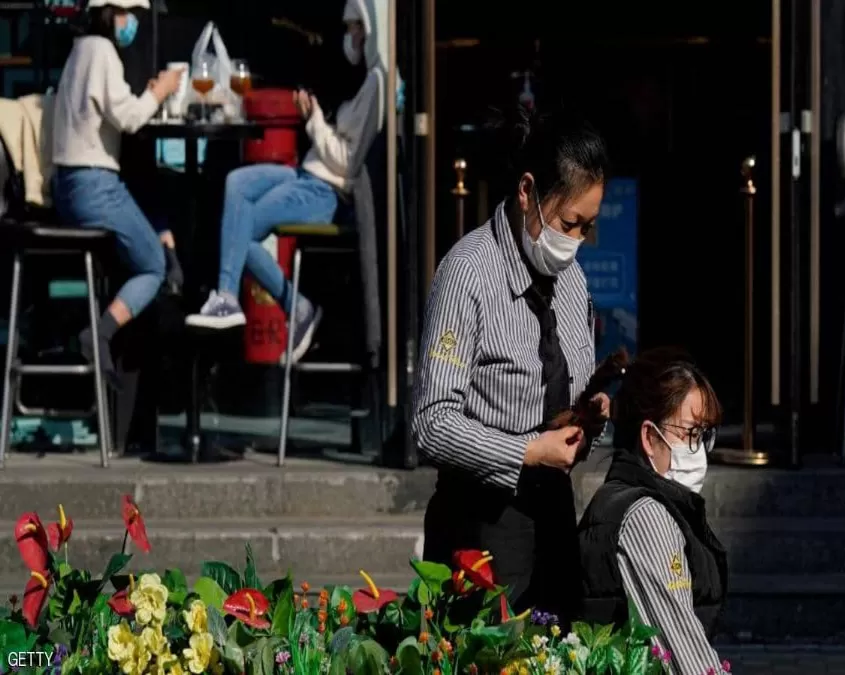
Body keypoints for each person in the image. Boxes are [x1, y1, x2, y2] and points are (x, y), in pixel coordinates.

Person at [413, 107, 610, 625]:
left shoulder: (572, 280)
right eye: (568, 223)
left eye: (587, 227)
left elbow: (568, 387)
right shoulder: (467, 272)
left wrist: (589, 418)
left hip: (553, 520)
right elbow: (431, 422)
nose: (575, 240)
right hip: (481, 524)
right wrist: (525, 451)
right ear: (527, 192)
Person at [185, 0, 387, 365]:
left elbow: (347, 161)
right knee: (237, 182)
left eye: (354, 27)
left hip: (327, 190)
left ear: (370, 30)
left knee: (241, 229)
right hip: (309, 172)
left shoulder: (377, 83)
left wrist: (314, 122)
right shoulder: (365, 80)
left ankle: (288, 305)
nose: (349, 35)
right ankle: (231, 298)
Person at [52, 0, 184, 389]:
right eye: (131, 15)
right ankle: (101, 334)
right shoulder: (103, 51)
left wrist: (145, 96)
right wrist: (161, 92)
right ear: (114, 13)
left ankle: (168, 249)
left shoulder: (79, 50)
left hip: (69, 186)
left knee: (150, 207)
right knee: (153, 267)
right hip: (95, 186)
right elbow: (129, 119)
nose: (133, 25)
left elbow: (114, 108)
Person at [578, 348, 729, 675]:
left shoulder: (628, 500)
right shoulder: (646, 517)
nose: (699, 451)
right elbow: (686, 655)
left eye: (705, 435)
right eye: (690, 433)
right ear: (648, 436)